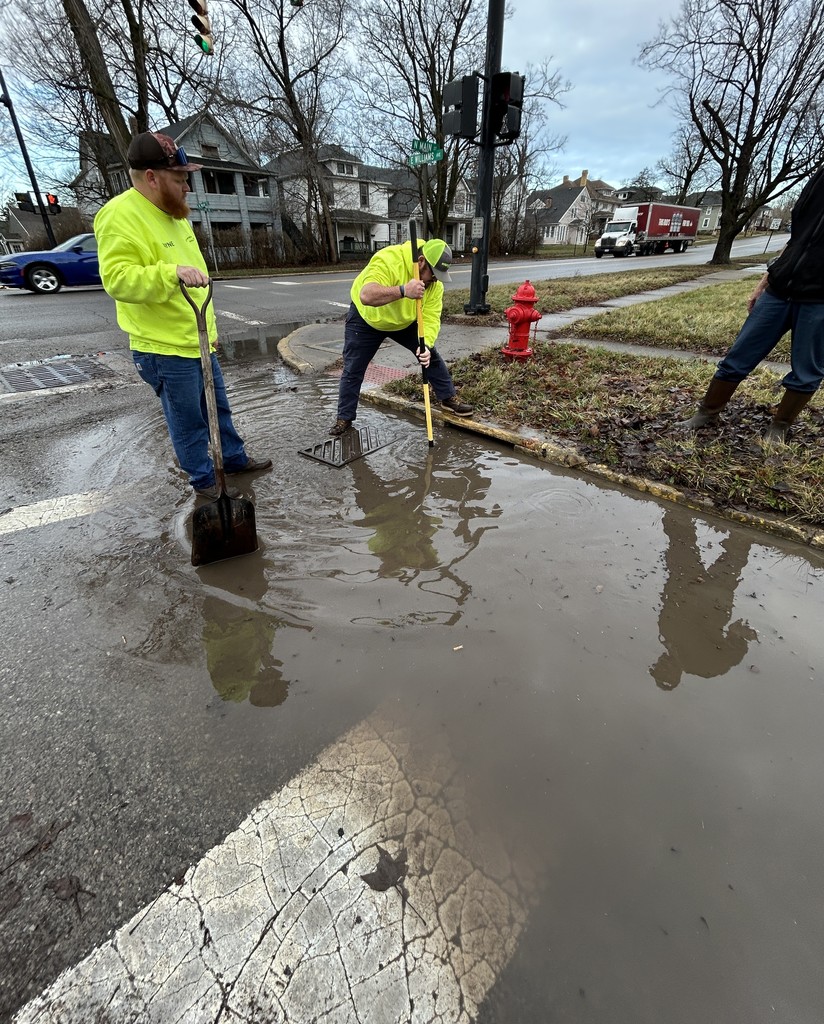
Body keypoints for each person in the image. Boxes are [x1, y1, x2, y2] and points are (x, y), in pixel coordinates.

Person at [94, 131, 271, 497]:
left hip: (198, 339)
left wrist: (212, 329)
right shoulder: (119, 216)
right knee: (188, 420)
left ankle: (233, 459)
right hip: (163, 347)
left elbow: (199, 284)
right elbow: (118, 279)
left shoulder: (176, 216)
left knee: (218, 407)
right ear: (152, 178)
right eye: (179, 179)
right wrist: (168, 273)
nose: (187, 186)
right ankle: (204, 481)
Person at [680, 166, 824, 442]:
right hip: (780, 288)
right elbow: (797, 239)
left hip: (819, 301)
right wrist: (766, 280)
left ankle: (779, 427)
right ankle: (707, 413)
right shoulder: (819, 179)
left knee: (807, 371)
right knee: (737, 357)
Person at [329, 237, 474, 435]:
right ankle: (344, 419)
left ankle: (448, 398)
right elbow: (367, 295)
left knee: (429, 356)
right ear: (421, 261)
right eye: (433, 274)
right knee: (353, 368)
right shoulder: (389, 259)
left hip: (403, 321)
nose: (435, 280)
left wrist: (427, 344)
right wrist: (404, 290)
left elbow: (431, 318)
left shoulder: (434, 285)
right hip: (368, 318)